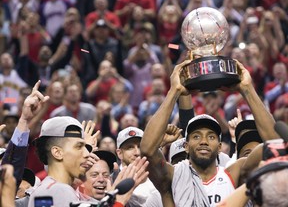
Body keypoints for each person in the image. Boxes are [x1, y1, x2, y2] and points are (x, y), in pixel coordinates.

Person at [140, 59, 279, 206]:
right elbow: (147, 150)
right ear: (186, 145)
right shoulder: (171, 178)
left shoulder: (234, 174)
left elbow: (276, 145)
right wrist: (174, 91)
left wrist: (247, 89)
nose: (204, 141)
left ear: (220, 147)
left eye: (211, 136)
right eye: (196, 136)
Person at [28, 115, 98, 207]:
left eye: (85, 147)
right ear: (57, 152)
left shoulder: (55, 189)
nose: (87, 154)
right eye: (79, 146)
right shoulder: (56, 190)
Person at [115, 126, 162, 206]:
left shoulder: (159, 178)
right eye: (130, 147)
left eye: (140, 146)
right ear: (119, 153)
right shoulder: (111, 181)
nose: (137, 152)